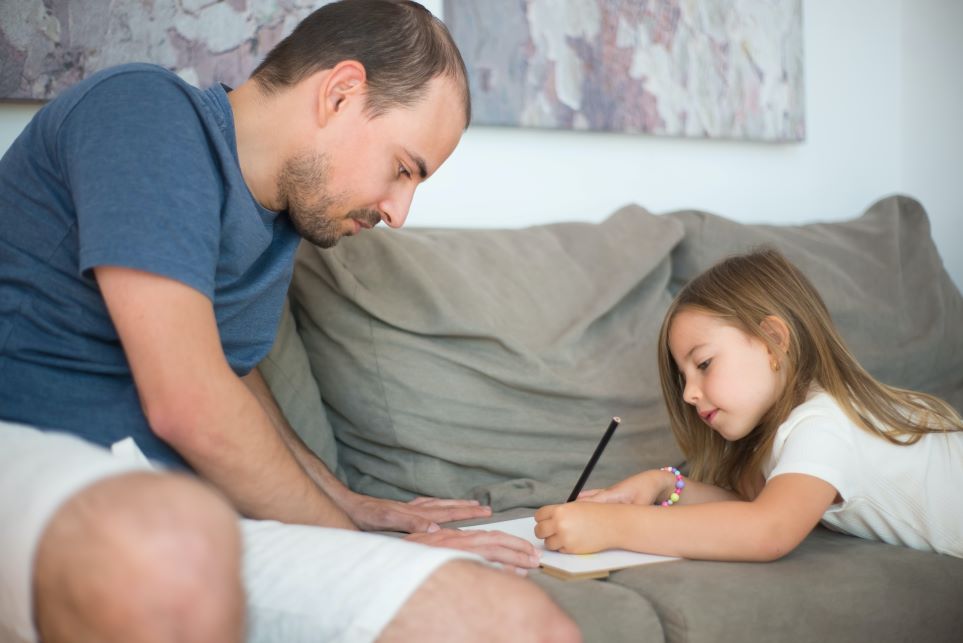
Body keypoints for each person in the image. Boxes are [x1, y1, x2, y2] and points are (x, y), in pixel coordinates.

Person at [0, 1, 581, 641]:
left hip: (195, 517)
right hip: (48, 469)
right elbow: (191, 402)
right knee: (165, 553)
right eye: (403, 169)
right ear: (340, 93)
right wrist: (369, 554)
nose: (399, 211)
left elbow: (225, 375)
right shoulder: (146, 112)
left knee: (516, 623)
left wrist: (349, 505)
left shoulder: (280, 221)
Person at [534, 248, 963, 561]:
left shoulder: (824, 423)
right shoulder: (788, 432)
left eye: (703, 364)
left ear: (774, 340)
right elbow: (749, 507)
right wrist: (664, 484)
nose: (688, 394)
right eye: (684, 377)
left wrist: (613, 527)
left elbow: (767, 530)